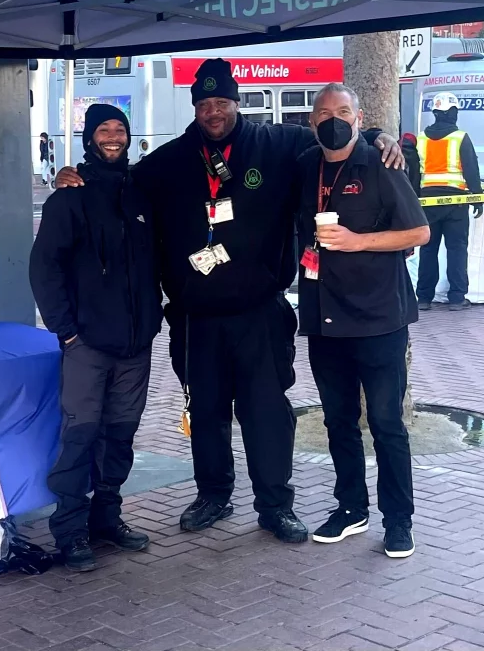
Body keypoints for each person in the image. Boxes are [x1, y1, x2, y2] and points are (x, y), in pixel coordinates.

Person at [55, 58, 404, 545]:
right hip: (196, 317)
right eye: (204, 104)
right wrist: (73, 175)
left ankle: (276, 505)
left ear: (237, 103)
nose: (213, 111)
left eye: (222, 102)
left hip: (259, 312)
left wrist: (382, 137)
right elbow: (117, 182)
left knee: (265, 411)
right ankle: (213, 494)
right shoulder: (170, 161)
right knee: (208, 412)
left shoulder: (278, 143)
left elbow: (337, 138)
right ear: (194, 107)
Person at [296, 83, 430, 559]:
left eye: (344, 111)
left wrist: (357, 241)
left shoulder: (381, 164)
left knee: (387, 422)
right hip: (323, 319)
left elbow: (418, 231)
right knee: (338, 421)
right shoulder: (303, 165)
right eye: (324, 112)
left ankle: (399, 520)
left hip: (379, 320)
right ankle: (351, 508)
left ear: (359, 116)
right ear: (312, 122)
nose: (334, 119)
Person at [29, 104, 163, 572]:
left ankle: (107, 517)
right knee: (80, 434)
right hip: (85, 342)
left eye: (120, 129)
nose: (113, 136)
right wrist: (64, 331)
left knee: (120, 433)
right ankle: (69, 529)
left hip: (135, 342)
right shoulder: (68, 198)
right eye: (104, 129)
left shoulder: (143, 193)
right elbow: (44, 269)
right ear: (89, 138)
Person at [411, 92, 483, 311]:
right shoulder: (460, 137)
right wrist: (478, 198)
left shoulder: (421, 138)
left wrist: (414, 201)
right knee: (457, 249)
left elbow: (414, 174)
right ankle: (457, 297)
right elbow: (471, 170)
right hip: (456, 202)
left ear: (435, 113)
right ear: (453, 113)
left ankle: (423, 298)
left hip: (428, 202)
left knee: (428, 250)